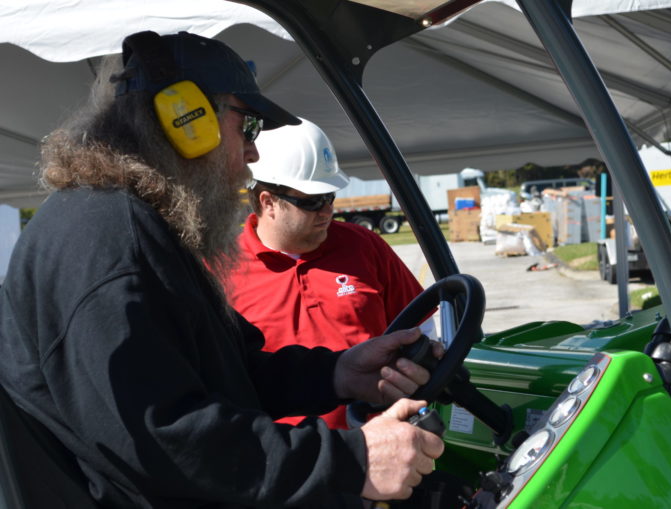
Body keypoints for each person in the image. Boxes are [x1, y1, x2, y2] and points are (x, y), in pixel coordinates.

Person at [0, 30, 444, 508]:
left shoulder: (134, 227)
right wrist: (351, 459)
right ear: (184, 119)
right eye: (247, 127)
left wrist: (337, 373)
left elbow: (230, 372)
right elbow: (163, 440)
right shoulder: (108, 239)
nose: (253, 154)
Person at [223, 119, 436, 429]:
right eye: (311, 201)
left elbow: (424, 328)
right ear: (268, 202)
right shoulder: (220, 267)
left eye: (330, 197)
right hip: (287, 458)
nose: (327, 211)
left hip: (380, 443)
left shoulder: (365, 246)